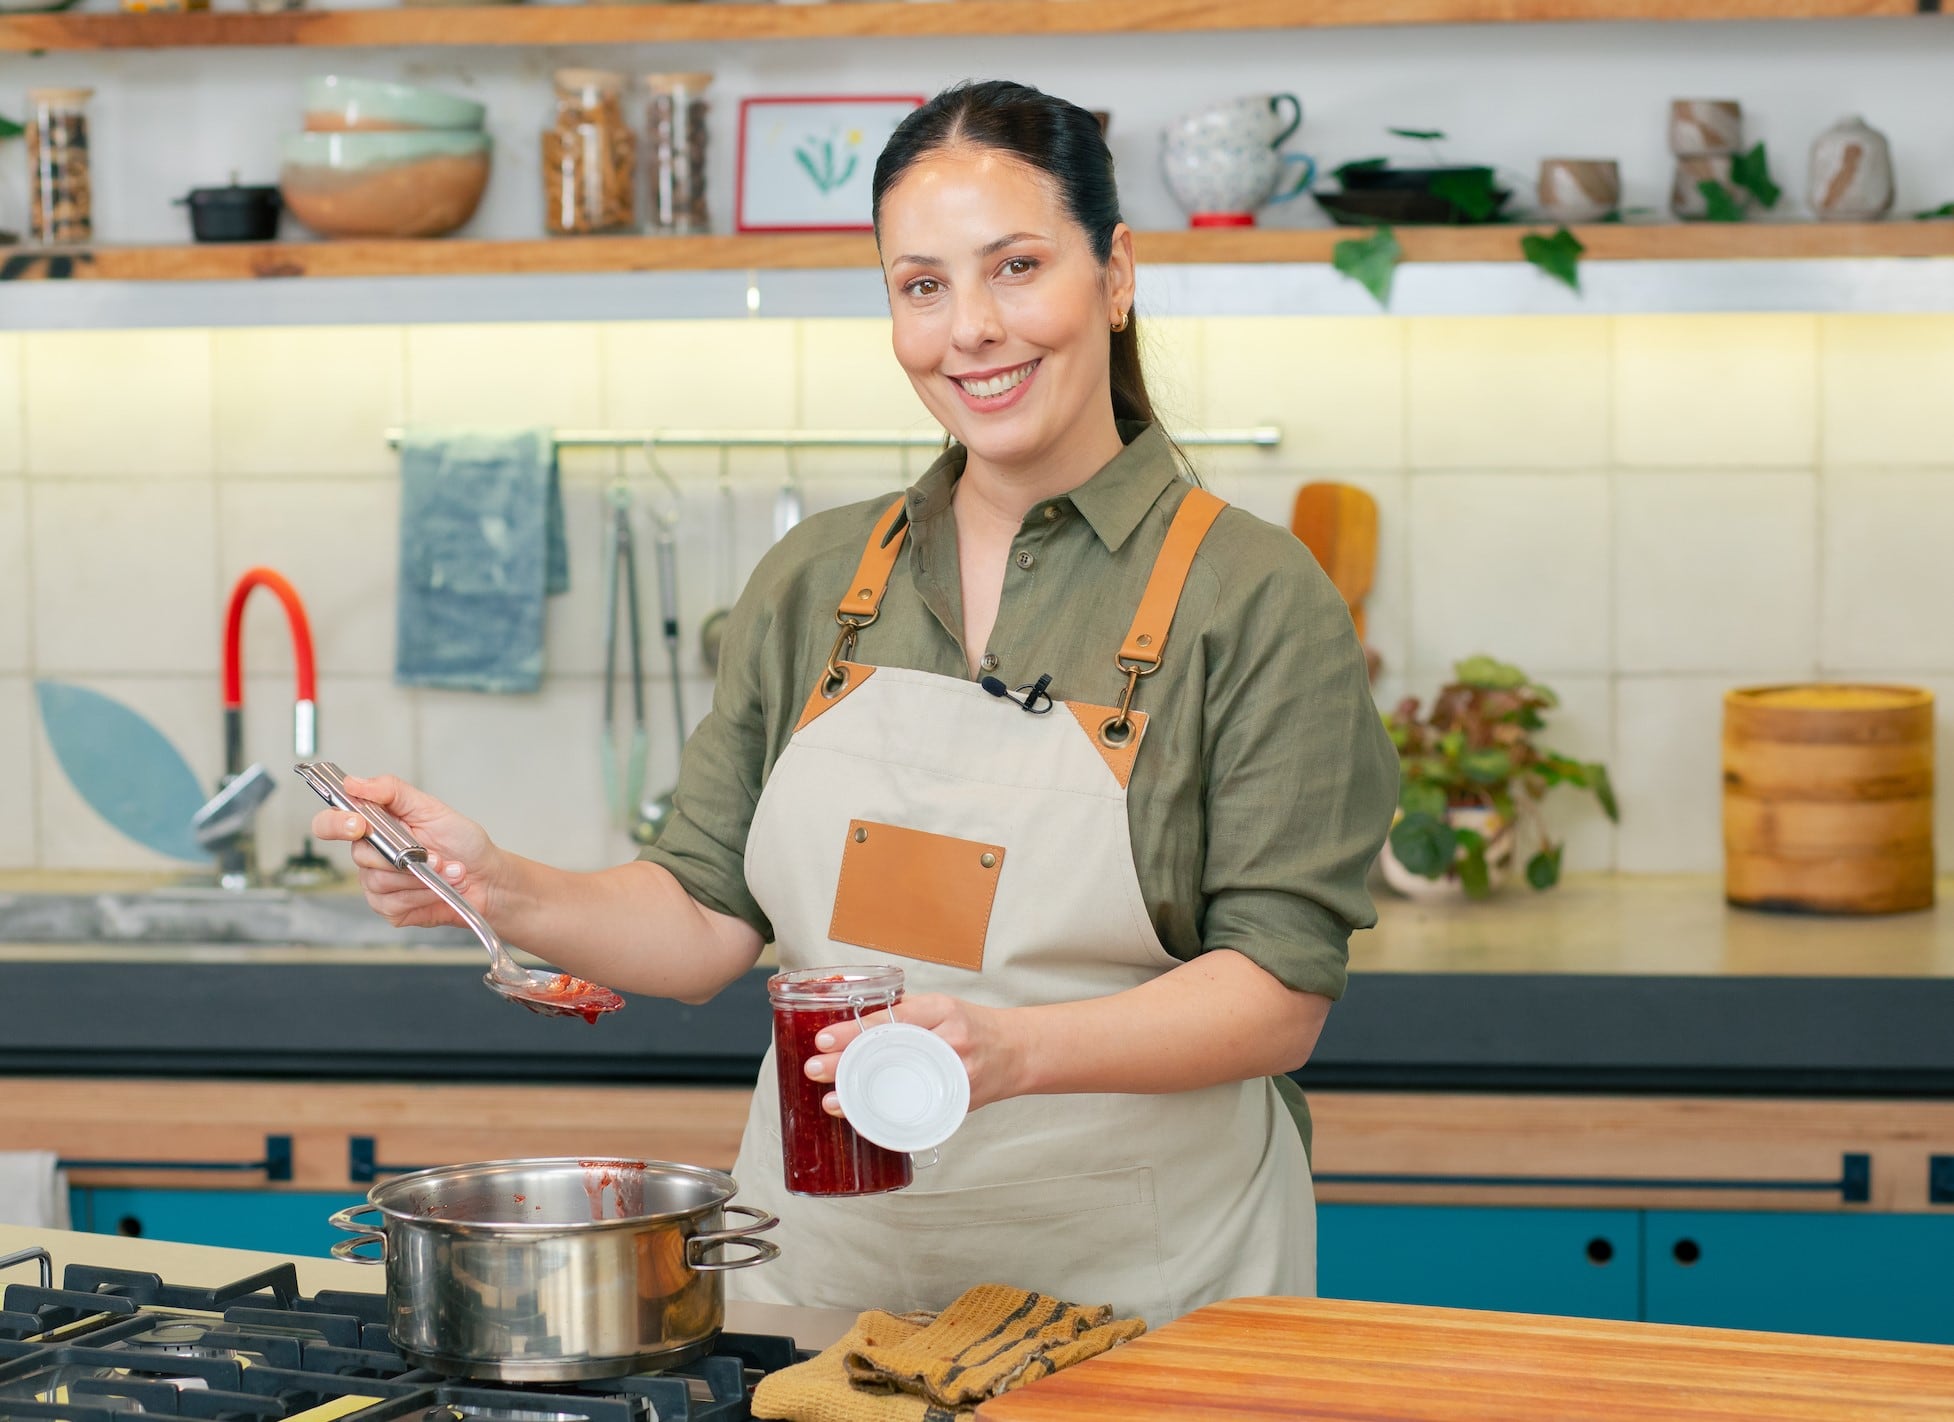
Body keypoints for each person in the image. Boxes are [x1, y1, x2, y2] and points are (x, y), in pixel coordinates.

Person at [315, 78, 1396, 1327]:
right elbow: (703, 917)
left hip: (1147, 1305)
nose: (970, 330)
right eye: (921, 285)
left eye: (1017, 267)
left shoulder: (1254, 596)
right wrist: (492, 883)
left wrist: (1010, 1054)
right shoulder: (819, 581)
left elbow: (1277, 992)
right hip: (826, 1305)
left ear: (1115, 274)